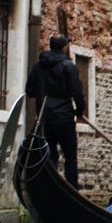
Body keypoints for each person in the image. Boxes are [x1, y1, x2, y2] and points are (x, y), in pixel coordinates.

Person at [25, 35, 86, 188]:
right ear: (65, 47)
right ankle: (72, 190)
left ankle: (48, 188)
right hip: (64, 118)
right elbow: (77, 93)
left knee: (49, 157)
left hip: (44, 118)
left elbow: (30, 91)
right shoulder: (68, 66)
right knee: (70, 158)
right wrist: (79, 112)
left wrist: (43, 90)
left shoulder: (38, 66)